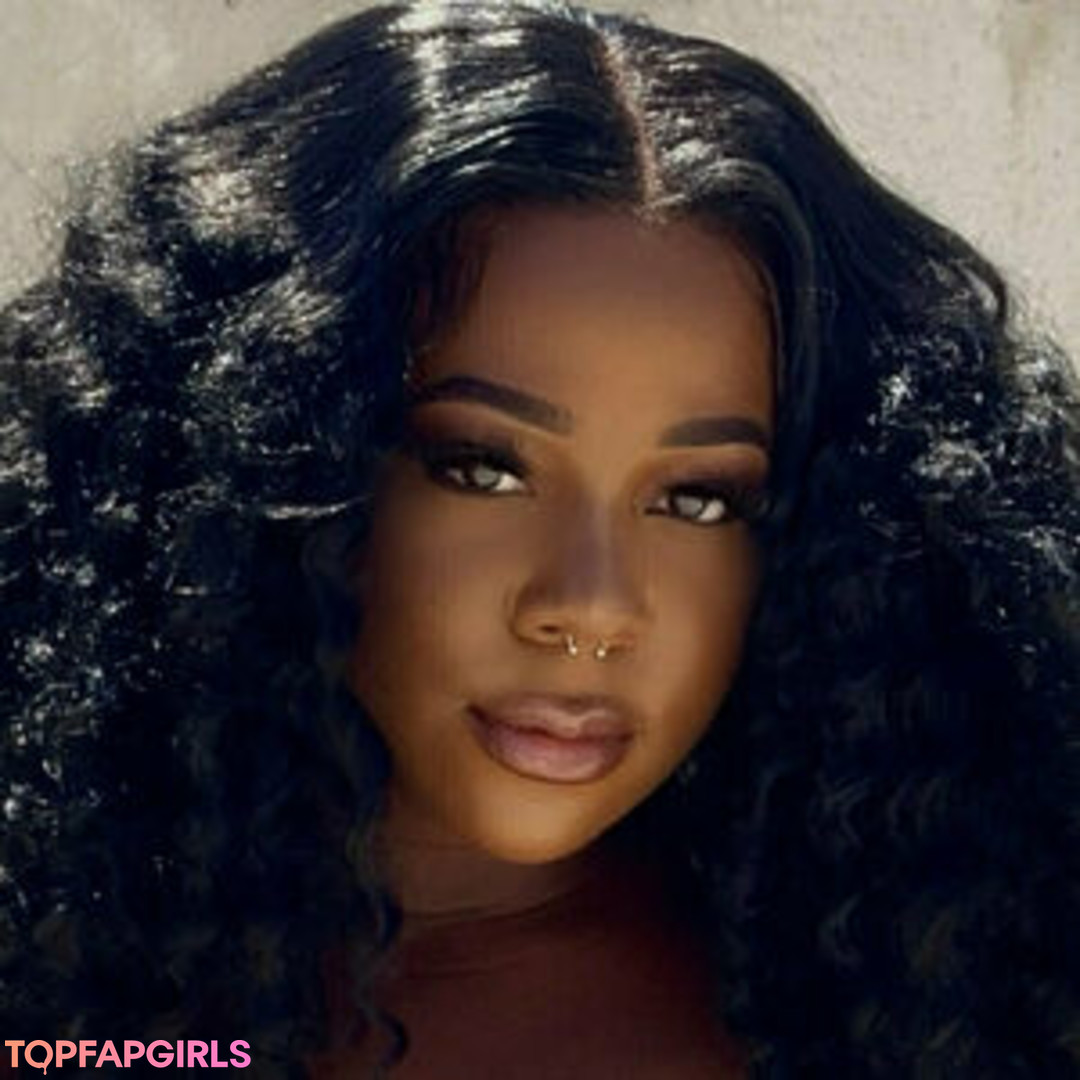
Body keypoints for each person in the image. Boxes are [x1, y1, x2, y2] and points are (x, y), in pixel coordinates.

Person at [1, 1, 1077, 1077]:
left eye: (698, 499)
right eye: (483, 468)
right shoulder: (71, 1003)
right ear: (268, 456)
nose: (592, 606)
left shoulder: (915, 1026)